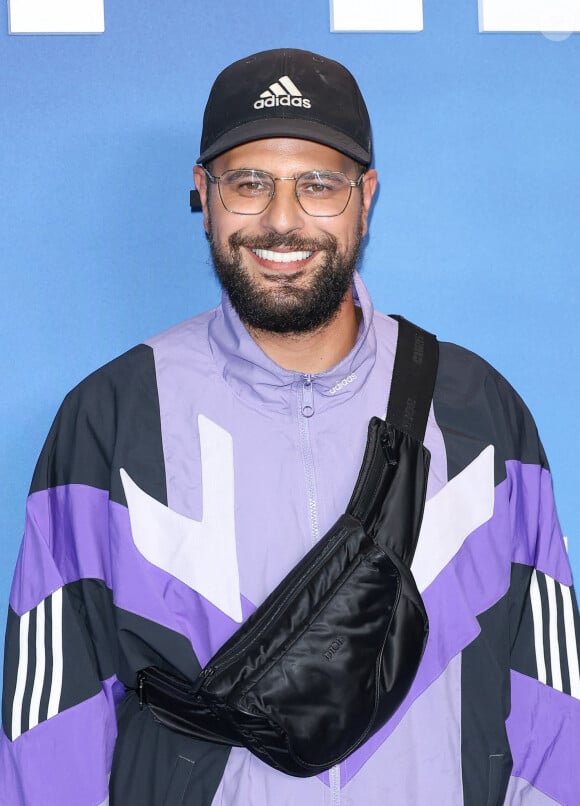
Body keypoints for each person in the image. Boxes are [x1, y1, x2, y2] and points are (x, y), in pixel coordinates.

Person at [1, 47, 578, 806]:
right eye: (248, 184)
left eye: (318, 185)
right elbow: (51, 725)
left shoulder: (479, 412)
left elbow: (551, 702)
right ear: (202, 194)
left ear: (365, 198)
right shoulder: (109, 418)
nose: (281, 220)